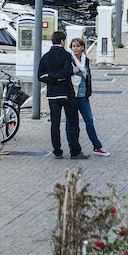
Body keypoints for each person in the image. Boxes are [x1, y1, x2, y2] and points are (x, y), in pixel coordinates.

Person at [38, 31, 86, 160]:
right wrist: (60, 77)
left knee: (55, 124)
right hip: (66, 93)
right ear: (63, 41)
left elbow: (40, 76)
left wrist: (51, 77)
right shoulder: (66, 55)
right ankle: (74, 151)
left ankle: (57, 151)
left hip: (52, 95)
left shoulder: (45, 57)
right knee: (73, 122)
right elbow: (67, 71)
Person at [70, 37, 110, 156]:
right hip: (72, 95)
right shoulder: (69, 60)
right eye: (73, 46)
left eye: (77, 46)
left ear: (82, 47)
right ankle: (73, 148)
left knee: (89, 121)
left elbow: (88, 76)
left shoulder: (85, 60)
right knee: (71, 123)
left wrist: (89, 91)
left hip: (83, 95)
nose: (75, 48)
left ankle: (97, 146)